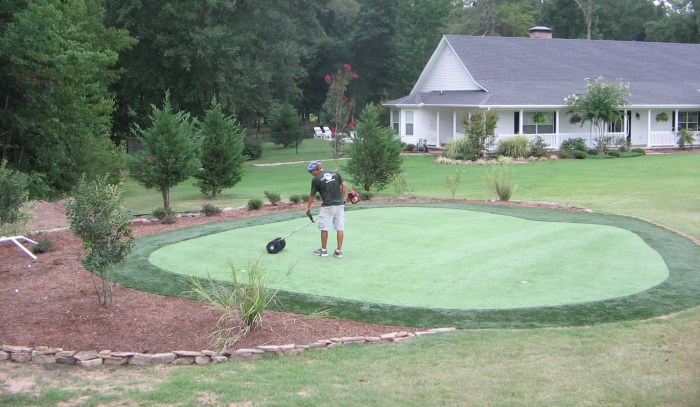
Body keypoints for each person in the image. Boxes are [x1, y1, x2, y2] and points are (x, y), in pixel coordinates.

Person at [306, 160, 346, 257]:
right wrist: (341, 198)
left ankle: (323, 250)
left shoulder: (316, 179)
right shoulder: (335, 173)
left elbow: (312, 195)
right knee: (340, 228)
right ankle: (339, 251)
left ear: (316, 169)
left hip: (327, 206)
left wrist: (308, 207)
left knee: (324, 228)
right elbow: (344, 185)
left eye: (311, 172)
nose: (311, 174)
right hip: (339, 205)